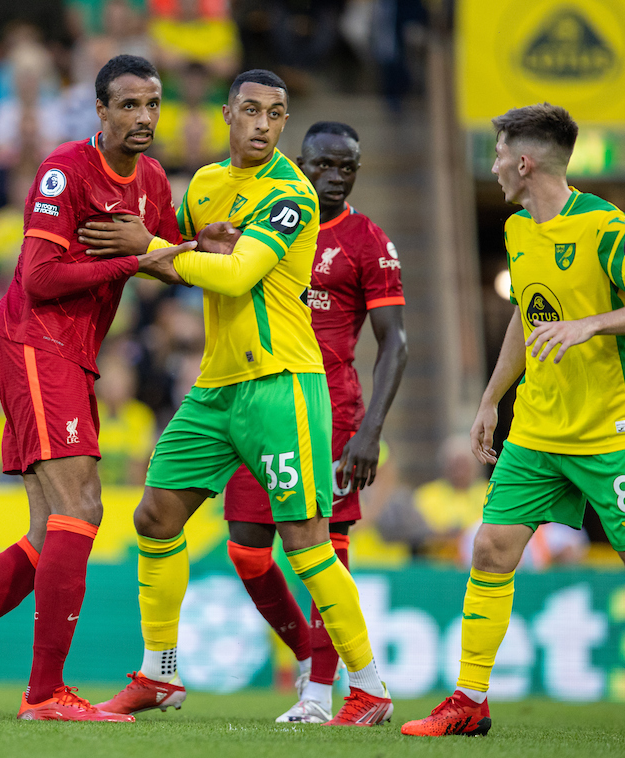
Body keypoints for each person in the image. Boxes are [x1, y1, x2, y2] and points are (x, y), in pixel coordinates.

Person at [0, 54, 227, 722]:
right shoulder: (67, 168)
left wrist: (200, 242)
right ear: (100, 110)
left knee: (52, 532)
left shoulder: (150, 179)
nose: (144, 117)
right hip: (35, 341)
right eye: (128, 105)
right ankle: (43, 694)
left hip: (70, 355)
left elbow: (165, 254)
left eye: (152, 104)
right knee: (81, 511)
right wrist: (136, 256)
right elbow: (37, 277)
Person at [94, 70, 393, 726]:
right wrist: (172, 250)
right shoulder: (203, 185)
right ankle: (160, 674)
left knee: (308, 544)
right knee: (155, 517)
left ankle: (368, 687)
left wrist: (158, 248)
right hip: (216, 386)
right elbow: (177, 262)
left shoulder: (291, 193)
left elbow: (232, 273)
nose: (262, 124)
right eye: (251, 110)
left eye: (276, 114)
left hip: (282, 384)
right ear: (227, 112)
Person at [400, 104, 625, 743]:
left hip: (611, 430)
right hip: (535, 429)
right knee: (490, 548)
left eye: (499, 153)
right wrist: (490, 399)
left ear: (525, 162)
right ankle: (469, 701)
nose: (494, 164)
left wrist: (591, 324)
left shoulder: (607, 227)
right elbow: (527, 319)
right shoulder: (518, 230)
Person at [218, 120, 407, 724]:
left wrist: (371, 429)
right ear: (297, 162)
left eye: (346, 167)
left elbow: (396, 343)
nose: (333, 177)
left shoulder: (367, 241)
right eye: (322, 165)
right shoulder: (268, 218)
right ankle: (306, 650)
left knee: (327, 548)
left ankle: (321, 695)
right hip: (261, 402)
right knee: (248, 552)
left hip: (330, 411)